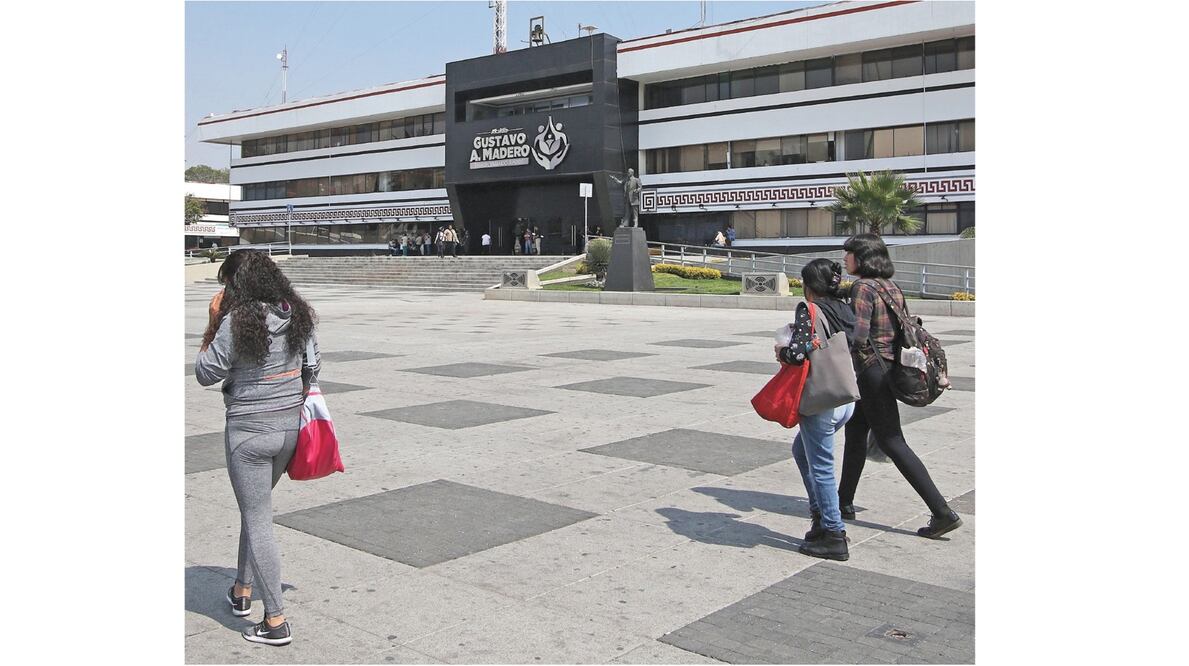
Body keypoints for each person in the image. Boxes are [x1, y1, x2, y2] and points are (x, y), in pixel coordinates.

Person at [195, 250, 320, 646]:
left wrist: (213, 322)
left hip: (248, 434)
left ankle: (275, 621)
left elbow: (205, 372)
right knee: (256, 511)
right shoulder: (296, 313)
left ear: (238, 285)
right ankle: (242, 590)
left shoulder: (236, 320)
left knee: (258, 518)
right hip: (289, 430)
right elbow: (314, 366)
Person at [836, 234, 963, 539]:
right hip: (887, 368)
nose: (844, 259)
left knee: (892, 440)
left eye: (848, 254)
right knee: (856, 433)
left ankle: (942, 512)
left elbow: (859, 335)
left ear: (862, 257)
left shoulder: (863, 287)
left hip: (871, 371)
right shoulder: (890, 286)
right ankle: (843, 502)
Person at [775, 259, 857, 561]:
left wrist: (782, 351)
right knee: (801, 451)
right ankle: (820, 516)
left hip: (821, 399)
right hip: (844, 397)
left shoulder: (809, 309)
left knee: (821, 466)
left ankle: (833, 533)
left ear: (808, 285)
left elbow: (797, 355)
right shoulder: (844, 308)